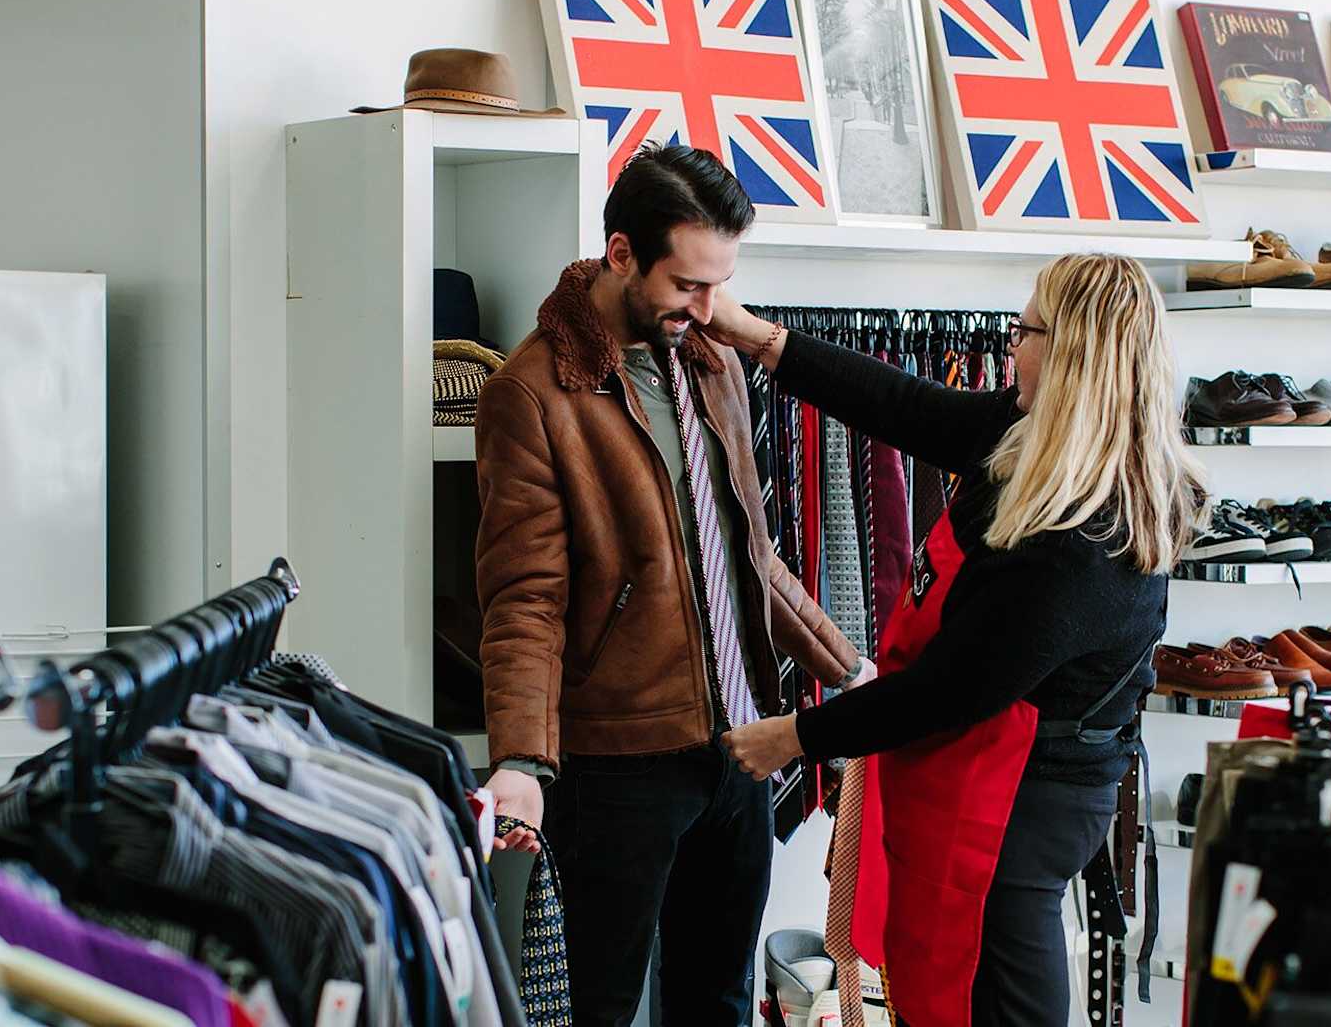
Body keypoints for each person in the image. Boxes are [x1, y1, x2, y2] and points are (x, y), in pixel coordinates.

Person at [713, 253, 1203, 1026]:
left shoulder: (1082, 537)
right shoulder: (1034, 440)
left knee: (994, 994)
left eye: (1025, 330)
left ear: (1072, 355)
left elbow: (946, 690)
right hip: (997, 781)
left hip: (1020, 803)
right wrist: (761, 338)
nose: (1011, 347)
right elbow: (909, 407)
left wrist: (796, 736)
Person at [471, 142, 865, 1026]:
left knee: (718, 1000)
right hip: (621, 762)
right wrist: (524, 759)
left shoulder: (713, 360)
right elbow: (524, 595)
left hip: (741, 746)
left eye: (720, 281)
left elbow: (750, 555)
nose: (709, 305)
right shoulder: (531, 394)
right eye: (688, 283)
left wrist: (848, 669)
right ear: (621, 254)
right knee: (602, 1005)